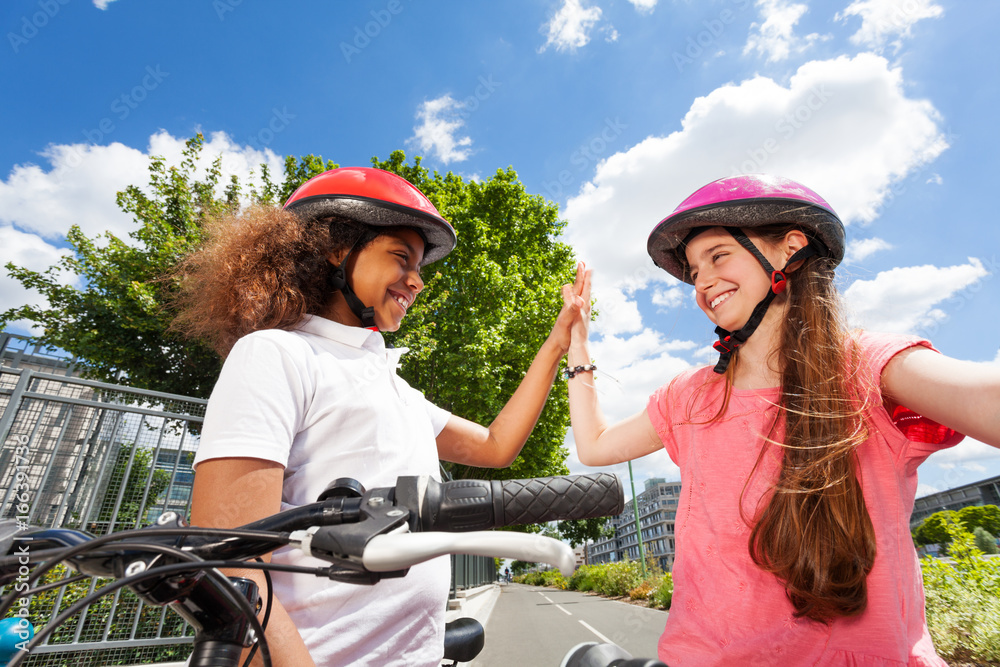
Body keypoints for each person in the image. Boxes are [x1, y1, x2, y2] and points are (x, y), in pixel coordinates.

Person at [562, 174, 1000, 666]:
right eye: (692, 270)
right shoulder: (688, 396)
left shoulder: (867, 366)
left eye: (719, 255)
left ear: (790, 248)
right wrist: (578, 347)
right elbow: (595, 446)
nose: (701, 280)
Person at [176, 167, 587, 667]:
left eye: (419, 267)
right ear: (336, 249)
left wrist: (556, 343)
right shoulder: (276, 354)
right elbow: (231, 565)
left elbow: (496, 447)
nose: (416, 281)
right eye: (400, 257)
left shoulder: (393, 386)